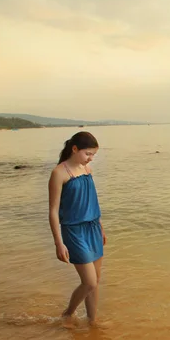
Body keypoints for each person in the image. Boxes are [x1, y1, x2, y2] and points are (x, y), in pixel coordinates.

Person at [48, 131, 106, 327]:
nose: (90, 158)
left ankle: (92, 321)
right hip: (74, 231)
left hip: (93, 228)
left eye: (93, 155)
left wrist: (101, 227)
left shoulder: (87, 169)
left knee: (96, 281)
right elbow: (54, 211)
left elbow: (92, 201)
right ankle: (68, 314)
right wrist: (59, 243)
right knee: (89, 282)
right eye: (88, 153)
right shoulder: (59, 173)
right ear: (75, 149)